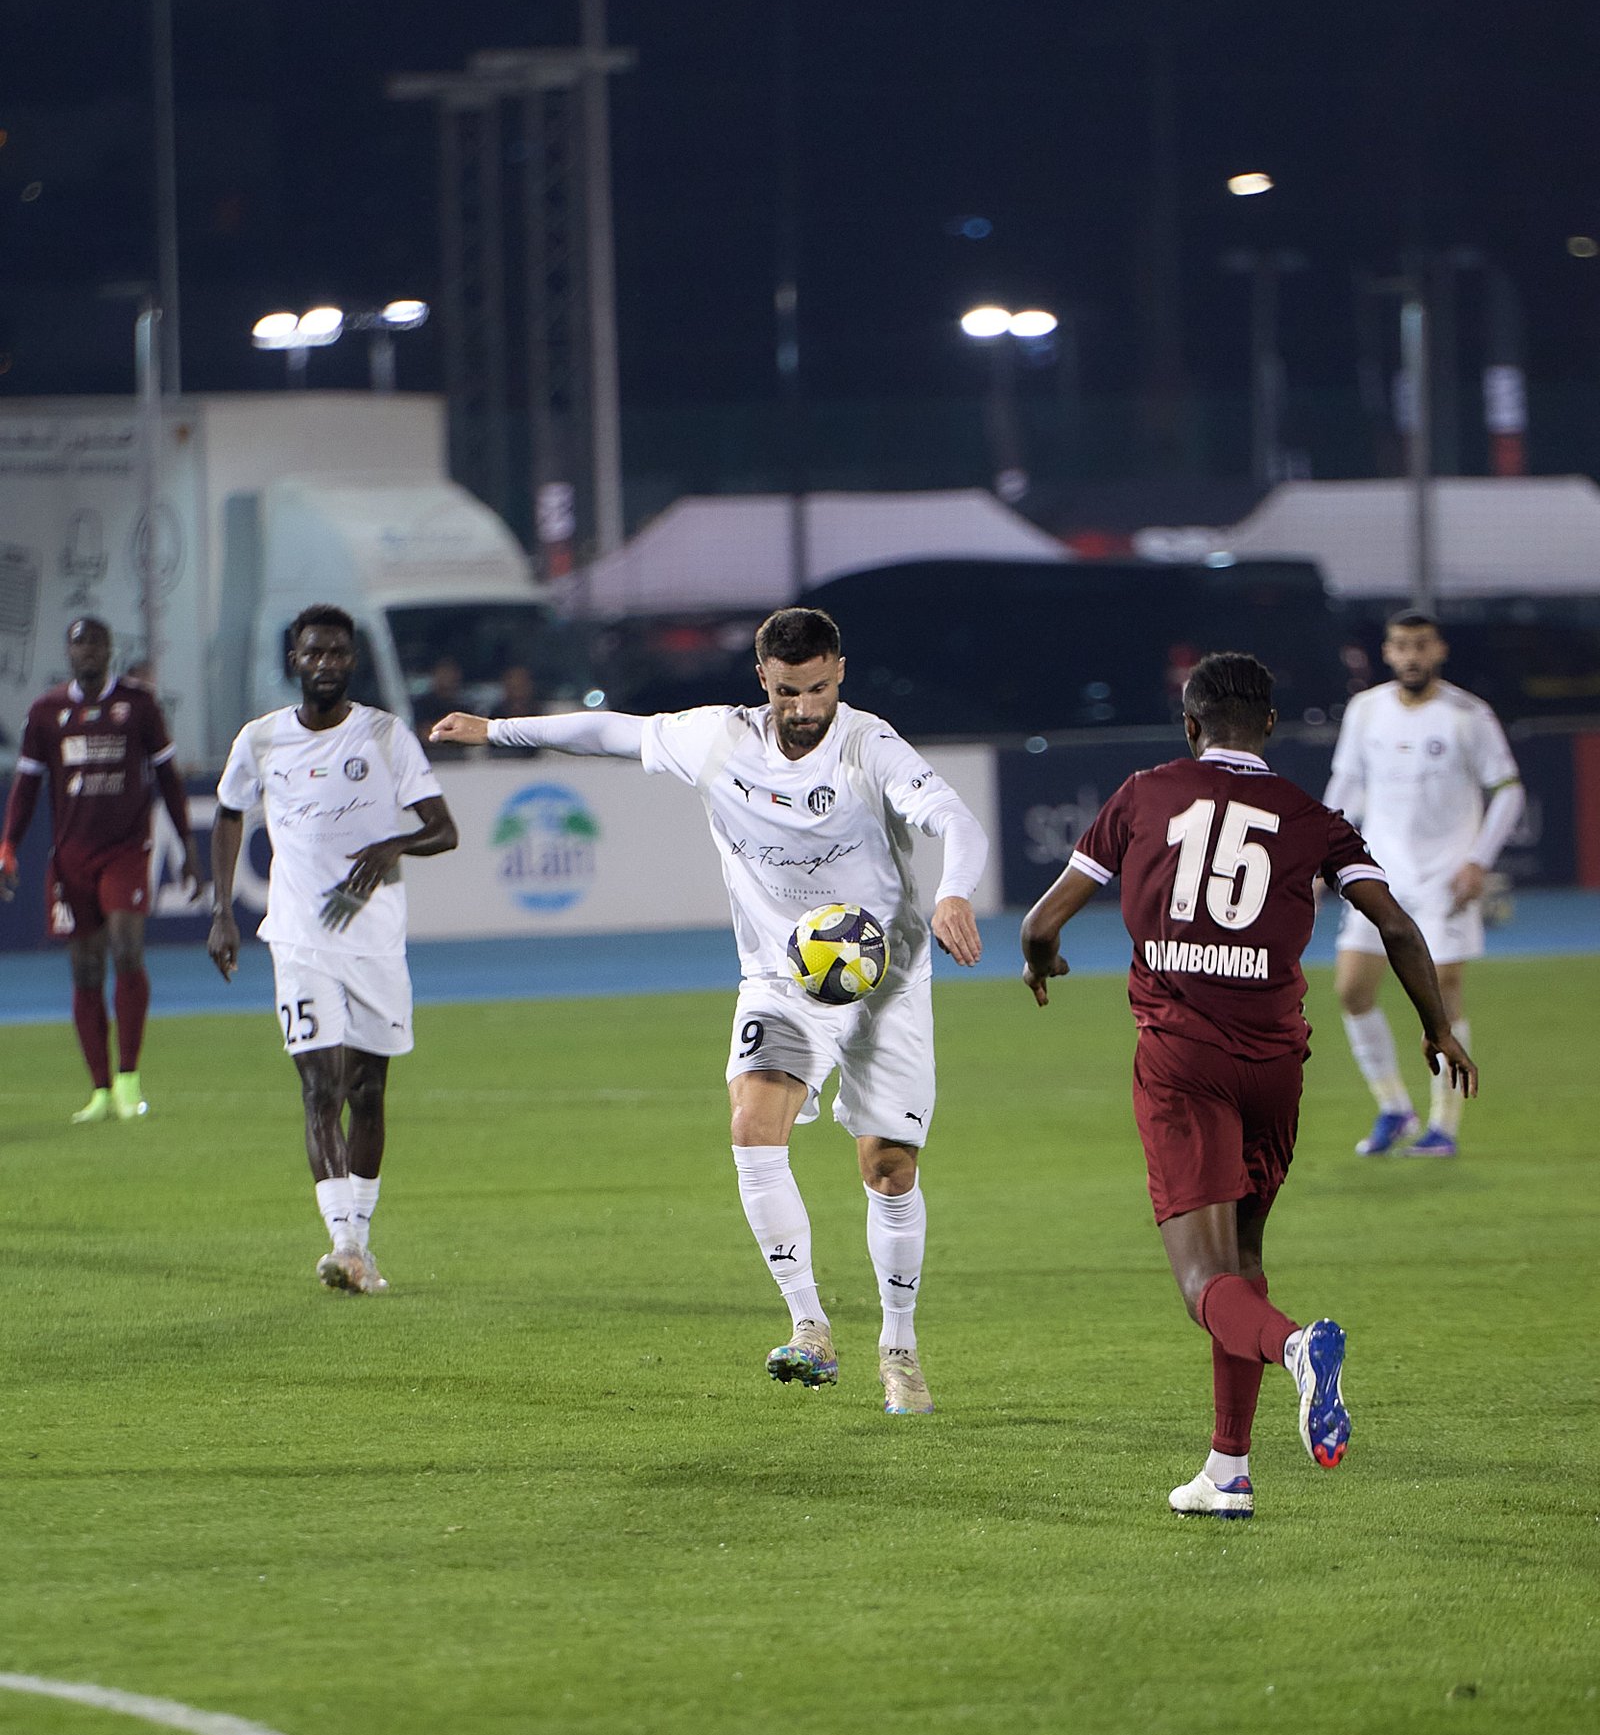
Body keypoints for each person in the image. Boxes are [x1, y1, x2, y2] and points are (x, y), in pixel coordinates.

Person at [430, 605, 989, 1413]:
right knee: (752, 1126)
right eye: (789, 691)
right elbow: (613, 731)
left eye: (820, 689)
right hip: (782, 976)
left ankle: (898, 1349)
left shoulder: (869, 746)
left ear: (840, 674)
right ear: (762, 679)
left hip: (886, 978)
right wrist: (497, 730)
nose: (805, 708)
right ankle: (809, 1328)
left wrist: (955, 893)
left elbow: (956, 822)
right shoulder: (718, 739)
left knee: (888, 1167)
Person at [1021, 651, 1475, 1519]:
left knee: (1205, 1285)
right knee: (1245, 1264)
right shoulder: (1313, 818)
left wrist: (1043, 962)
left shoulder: (1145, 794)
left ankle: (1299, 1348)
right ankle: (1228, 1471)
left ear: (1190, 725)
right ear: (1269, 725)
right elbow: (1396, 925)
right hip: (1274, 1069)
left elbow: (1043, 922)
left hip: (1183, 1064)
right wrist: (1437, 1028)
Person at [207, 604, 458, 1294]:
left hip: (374, 939)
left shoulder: (384, 735)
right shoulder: (261, 740)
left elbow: (444, 830)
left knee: (368, 1092)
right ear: (294, 660)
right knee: (321, 1087)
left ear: (353, 660)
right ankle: (343, 1243)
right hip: (299, 938)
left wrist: (394, 845)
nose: (325, 664)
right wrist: (222, 911)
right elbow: (229, 812)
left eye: (337, 653)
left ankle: (362, 1244)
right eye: (313, 653)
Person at [1325, 607, 1522, 1158]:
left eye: (1422, 645)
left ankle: (1443, 1127)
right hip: (1377, 875)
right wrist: (1322, 855)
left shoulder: (1468, 715)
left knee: (1442, 992)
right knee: (1352, 991)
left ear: (1439, 651)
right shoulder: (1366, 711)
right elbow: (1346, 786)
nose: (1412, 656)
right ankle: (1394, 1107)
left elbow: (1509, 791)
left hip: (1445, 878)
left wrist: (1478, 860)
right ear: (1387, 653)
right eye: (1402, 646)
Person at [0, 616, 201, 1121]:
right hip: (71, 858)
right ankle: (100, 1090)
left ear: (110, 650)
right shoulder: (46, 712)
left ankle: (129, 1079)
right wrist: (8, 846)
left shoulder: (138, 705)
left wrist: (187, 845)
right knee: (85, 967)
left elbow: (168, 777)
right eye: (79, 643)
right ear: (68, 652)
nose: (88, 650)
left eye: (96, 642)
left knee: (127, 949)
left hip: (126, 850)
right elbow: (26, 786)